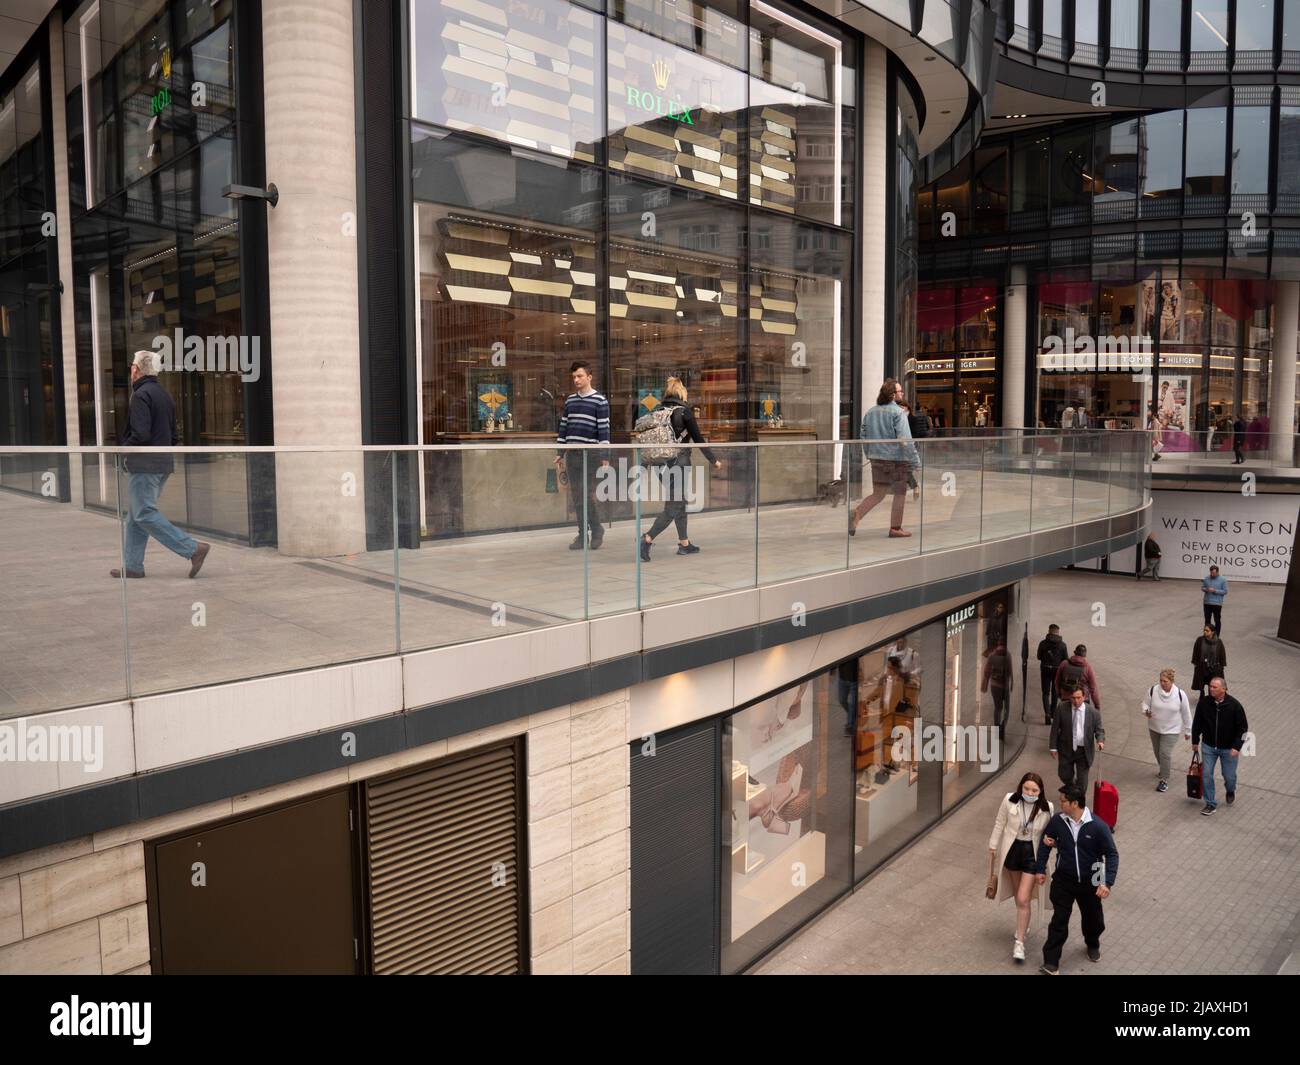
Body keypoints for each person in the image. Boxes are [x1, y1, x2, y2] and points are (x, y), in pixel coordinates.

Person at [110, 351, 210, 580]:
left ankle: (193, 549)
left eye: (131, 366)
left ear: (136, 369)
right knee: (136, 515)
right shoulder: (164, 395)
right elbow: (173, 436)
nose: (131, 370)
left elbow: (141, 434)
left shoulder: (140, 395)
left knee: (143, 513)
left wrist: (122, 449)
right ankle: (133, 566)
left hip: (145, 464)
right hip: (162, 462)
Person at [1035, 783, 1119, 975]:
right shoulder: (1058, 821)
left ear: (1074, 803)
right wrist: (1040, 869)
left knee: (1093, 920)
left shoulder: (1098, 826)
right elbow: (1045, 843)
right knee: (1059, 921)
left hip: (1091, 882)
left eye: (1063, 801)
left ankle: (1092, 943)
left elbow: (1112, 854)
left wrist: (1107, 882)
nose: (1060, 804)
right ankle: (1051, 962)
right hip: (1064, 880)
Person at [639, 377, 721, 561]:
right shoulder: (684, 412)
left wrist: (644, 466)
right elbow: (698, 439)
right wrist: (713, 460)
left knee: (679, 501)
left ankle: (684, 544)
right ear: (681, 393)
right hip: (678, 464)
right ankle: (647, 538)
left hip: (660, 465)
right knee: (674, 504)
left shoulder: (658, 412)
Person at [986, 772, 1054, 963]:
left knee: (1024, 898)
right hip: (1013, 852)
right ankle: (1023, 924)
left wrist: (1052, 842)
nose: (1030, 792)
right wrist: (993, 845)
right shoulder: (1009, 800)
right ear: (1021, 787)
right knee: (1019, 896)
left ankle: (1020, 942)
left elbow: (1051, 831)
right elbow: (1000, 822)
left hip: (1032, 855)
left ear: (1040, 791)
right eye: (1026, 788)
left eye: (1034, 790)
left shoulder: (1047, 808)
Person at [849, 379, 920, 539]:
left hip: (877, 460)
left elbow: (863, 437)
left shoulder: (871, 412)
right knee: (900, 493)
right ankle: (895, 528)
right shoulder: (898, 413)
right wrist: (915, 462)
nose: (902, 393)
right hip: (896, 461)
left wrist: (871, 455)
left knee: (878, 494)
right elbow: (905, 441)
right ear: (892, 395)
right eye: (900, 391)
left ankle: (857, 513)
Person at [554, 360, 611, 551]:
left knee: (585, 495)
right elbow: (564, 427)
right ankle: (584, 534)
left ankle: (595, 530)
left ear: (589, 377)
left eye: (579, 376)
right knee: (577, 497)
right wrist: (560, 452)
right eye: (574, 377)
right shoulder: (570, 400)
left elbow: (604, 429)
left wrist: (605, 455)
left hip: (591, 454)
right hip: (573, 454)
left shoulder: (600, 401)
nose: (576, 380)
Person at [1191, 677, 1248, 815]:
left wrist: (1237, 747)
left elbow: (1243, 729)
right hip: (1208, 746)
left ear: (1224, 689)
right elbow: (1197, 722)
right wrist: (1195, 741)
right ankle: (1210, 803)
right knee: (1206, 774)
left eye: (1214, 687)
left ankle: (1230, 789)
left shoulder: (1235, 706)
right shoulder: (1204, 703)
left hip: (1228, 749)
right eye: (1210, 686)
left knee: (1229, 777)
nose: (1211, 689)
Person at [1141, 668, 1192, 793]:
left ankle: (1164, 779)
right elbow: (1145, 704)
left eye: (1165, 681)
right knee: (1157, 752)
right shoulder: (1153, 690)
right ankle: (1163, 768)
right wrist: (1146, 711)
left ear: (1171, 681)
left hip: (1172, 730)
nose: (1162, 683)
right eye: (1161, 680)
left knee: (1165, 753)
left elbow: (1186, 713)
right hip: (1154, 727)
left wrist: (1188, 730)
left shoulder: (1180, 694)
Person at [1050, 687, 1105, 794]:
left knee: (1082, 782)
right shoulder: (1062, 708)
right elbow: (1055, 728)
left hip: (1083, 752)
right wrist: (1053, 747)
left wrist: (1100, 740)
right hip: (1066, 749)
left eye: (1079, 698)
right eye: (1073, 698)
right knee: (1064, 775)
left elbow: (1099, 730)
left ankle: (1079, 800)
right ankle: (1072, 786)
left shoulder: (1093, 713)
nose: (1076, 701)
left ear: (1084, 697)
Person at [1036, 624, 1069, 725]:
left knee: (1045, 693)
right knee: (1055, 691)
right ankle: (1053, 712)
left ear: (1049, 631)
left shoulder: (1043, 643)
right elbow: (1065, 659)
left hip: (1045, 669)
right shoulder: (1063, 645)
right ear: (1058, 632)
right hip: (1057, 670)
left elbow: (1038, 656)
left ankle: (1047, 713)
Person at [1054, 643, 1101, 711]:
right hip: (1082, 700)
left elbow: (1057, 681)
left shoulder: (1064, 664)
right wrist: (1097, 704)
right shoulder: (1087, 667)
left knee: (1066, 720)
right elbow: (1093, 688)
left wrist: (1060, 694)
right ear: (1085, 654)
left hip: (1066, 697)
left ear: (1074, 652)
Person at [981, 642, 1014, 738]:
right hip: (1005, 686)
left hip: (994, 686)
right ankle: (1003, 727)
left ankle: (996, 728)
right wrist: (1012, 682)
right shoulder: (1007, 654)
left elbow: (986, 671)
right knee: (1007, 708)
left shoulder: (992, 655)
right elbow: (1010, 670)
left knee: (998, 708)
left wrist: (985, 684)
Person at [895, 400, 924, 500]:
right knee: (904, 469)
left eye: (903, 406)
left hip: (909, 446)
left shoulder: (912, 418)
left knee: (905, 469)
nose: (901, 408)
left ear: (907, 407)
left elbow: (915, 433)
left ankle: (913, 487)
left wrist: (908, 442)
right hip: (898, 447)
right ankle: (914, 487)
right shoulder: (896, 418)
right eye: (899, 406)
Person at [1190, 624, 1227, 694]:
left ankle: (1211, 695)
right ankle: (1202, 693)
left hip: (1214, 666)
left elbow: (1222, 654)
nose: (1204, 632)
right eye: (1204, 630)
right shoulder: (1200, 640)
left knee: (1212, 682)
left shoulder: (1218, 642)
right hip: (1202, 665)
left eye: (1207, 630)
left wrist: (1222, 666)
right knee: (1201, 681)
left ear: (1212, 632)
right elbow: (1196, 651)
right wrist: (1195, 663)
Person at [1201, 565, 1227, 635]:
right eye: (1211, 573)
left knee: (1217, 620)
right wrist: (1206, 589)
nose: (1212, 574)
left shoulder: (1223, 580)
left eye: (1214, 573)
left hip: (1217, 603)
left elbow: (1225, 591)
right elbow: (1202, 587)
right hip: (1207, 602)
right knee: (1207, 620)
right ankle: (1206, 634)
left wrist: (1215, 590)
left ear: (1217, 572)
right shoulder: (1206, 578)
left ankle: (1217, 636)